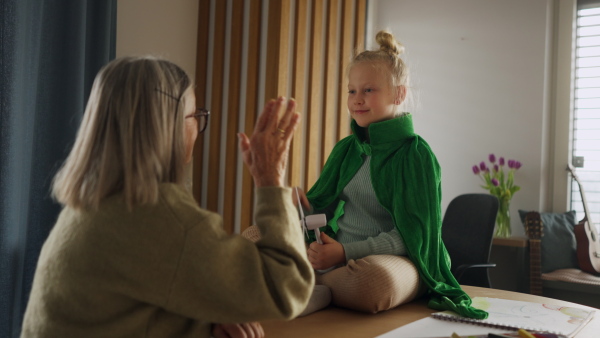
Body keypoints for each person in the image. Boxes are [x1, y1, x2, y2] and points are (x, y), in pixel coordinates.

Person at [20, 56, 313, 338]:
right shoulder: (157, 216)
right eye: (196, 115)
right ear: (166, 126)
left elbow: (135, 308)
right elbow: (288, 287)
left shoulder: (90, 205)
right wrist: (270, 179)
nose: (198, 127)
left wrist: (201, 325)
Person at [293, 30, 489, 318]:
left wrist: (345, 254)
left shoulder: (416, 156)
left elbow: (414, 237)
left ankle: (309, 284)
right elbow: (321, 209)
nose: (357, 100)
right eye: (352, 90)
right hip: (338, 258)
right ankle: (323, 284)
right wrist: (301, 206)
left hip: (395, 261)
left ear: (399, 93)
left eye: (368, 90)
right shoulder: (347, 149)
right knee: (256, 235)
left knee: (373, 282)